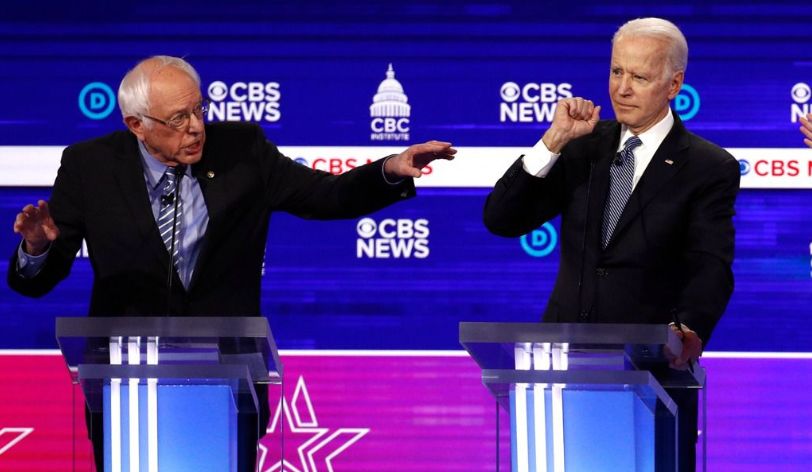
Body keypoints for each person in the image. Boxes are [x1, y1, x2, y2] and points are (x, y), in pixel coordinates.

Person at [8, 55, 455, 471]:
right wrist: (37, 247)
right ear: (136, 124)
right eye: (177, 119)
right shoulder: (90, 166)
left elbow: (328, 195)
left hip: (229, 377)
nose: (195, 127)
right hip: (126, 384)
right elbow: (39, 279)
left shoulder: (244, 150)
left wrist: (389, 169)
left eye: (198, 110)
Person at [483, 18, 739, 471]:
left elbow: (710, 264)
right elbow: (502, 219)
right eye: (616, 71)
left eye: (639, 76)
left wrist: (687, 327)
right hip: (562, 368)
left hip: (653, 376)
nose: (622, 88)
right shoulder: (582, 146)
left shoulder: (707, 166)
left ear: (674, 84)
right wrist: (553, 141)